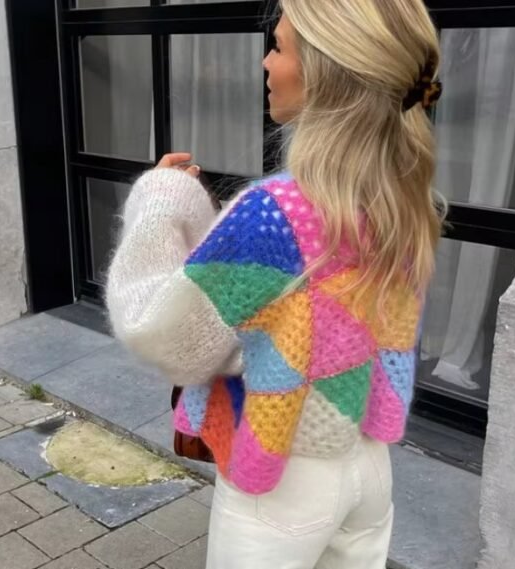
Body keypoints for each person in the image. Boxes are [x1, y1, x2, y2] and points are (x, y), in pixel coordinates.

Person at [106, 0, 444, 567]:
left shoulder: (274, 213)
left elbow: (163, 337)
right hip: (366, 465)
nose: (266, 62)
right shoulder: (401, 195)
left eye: (280, 47)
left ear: (326, 73)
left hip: (282, 481)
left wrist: (161, 203)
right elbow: (290, 309)